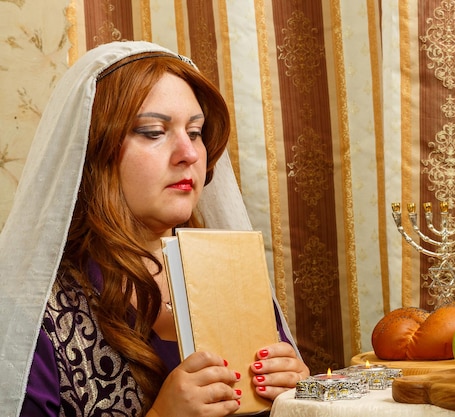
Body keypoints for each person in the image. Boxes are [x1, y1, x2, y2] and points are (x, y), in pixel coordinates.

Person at [0, 41, 309, 416]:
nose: (190, 153)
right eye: (153, 131)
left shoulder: (229, 274)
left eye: (195, 132)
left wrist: (295, 396)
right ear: (95, 149)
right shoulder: (33, 311)